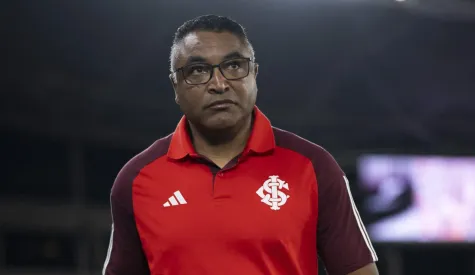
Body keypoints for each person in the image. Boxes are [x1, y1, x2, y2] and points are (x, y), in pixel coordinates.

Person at [102, 14, 379, 275]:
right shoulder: (136, 180)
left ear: (254, 75)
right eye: (198, 71)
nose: (219, 84)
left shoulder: (314, 167)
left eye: (233, 66)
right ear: (176, 87)